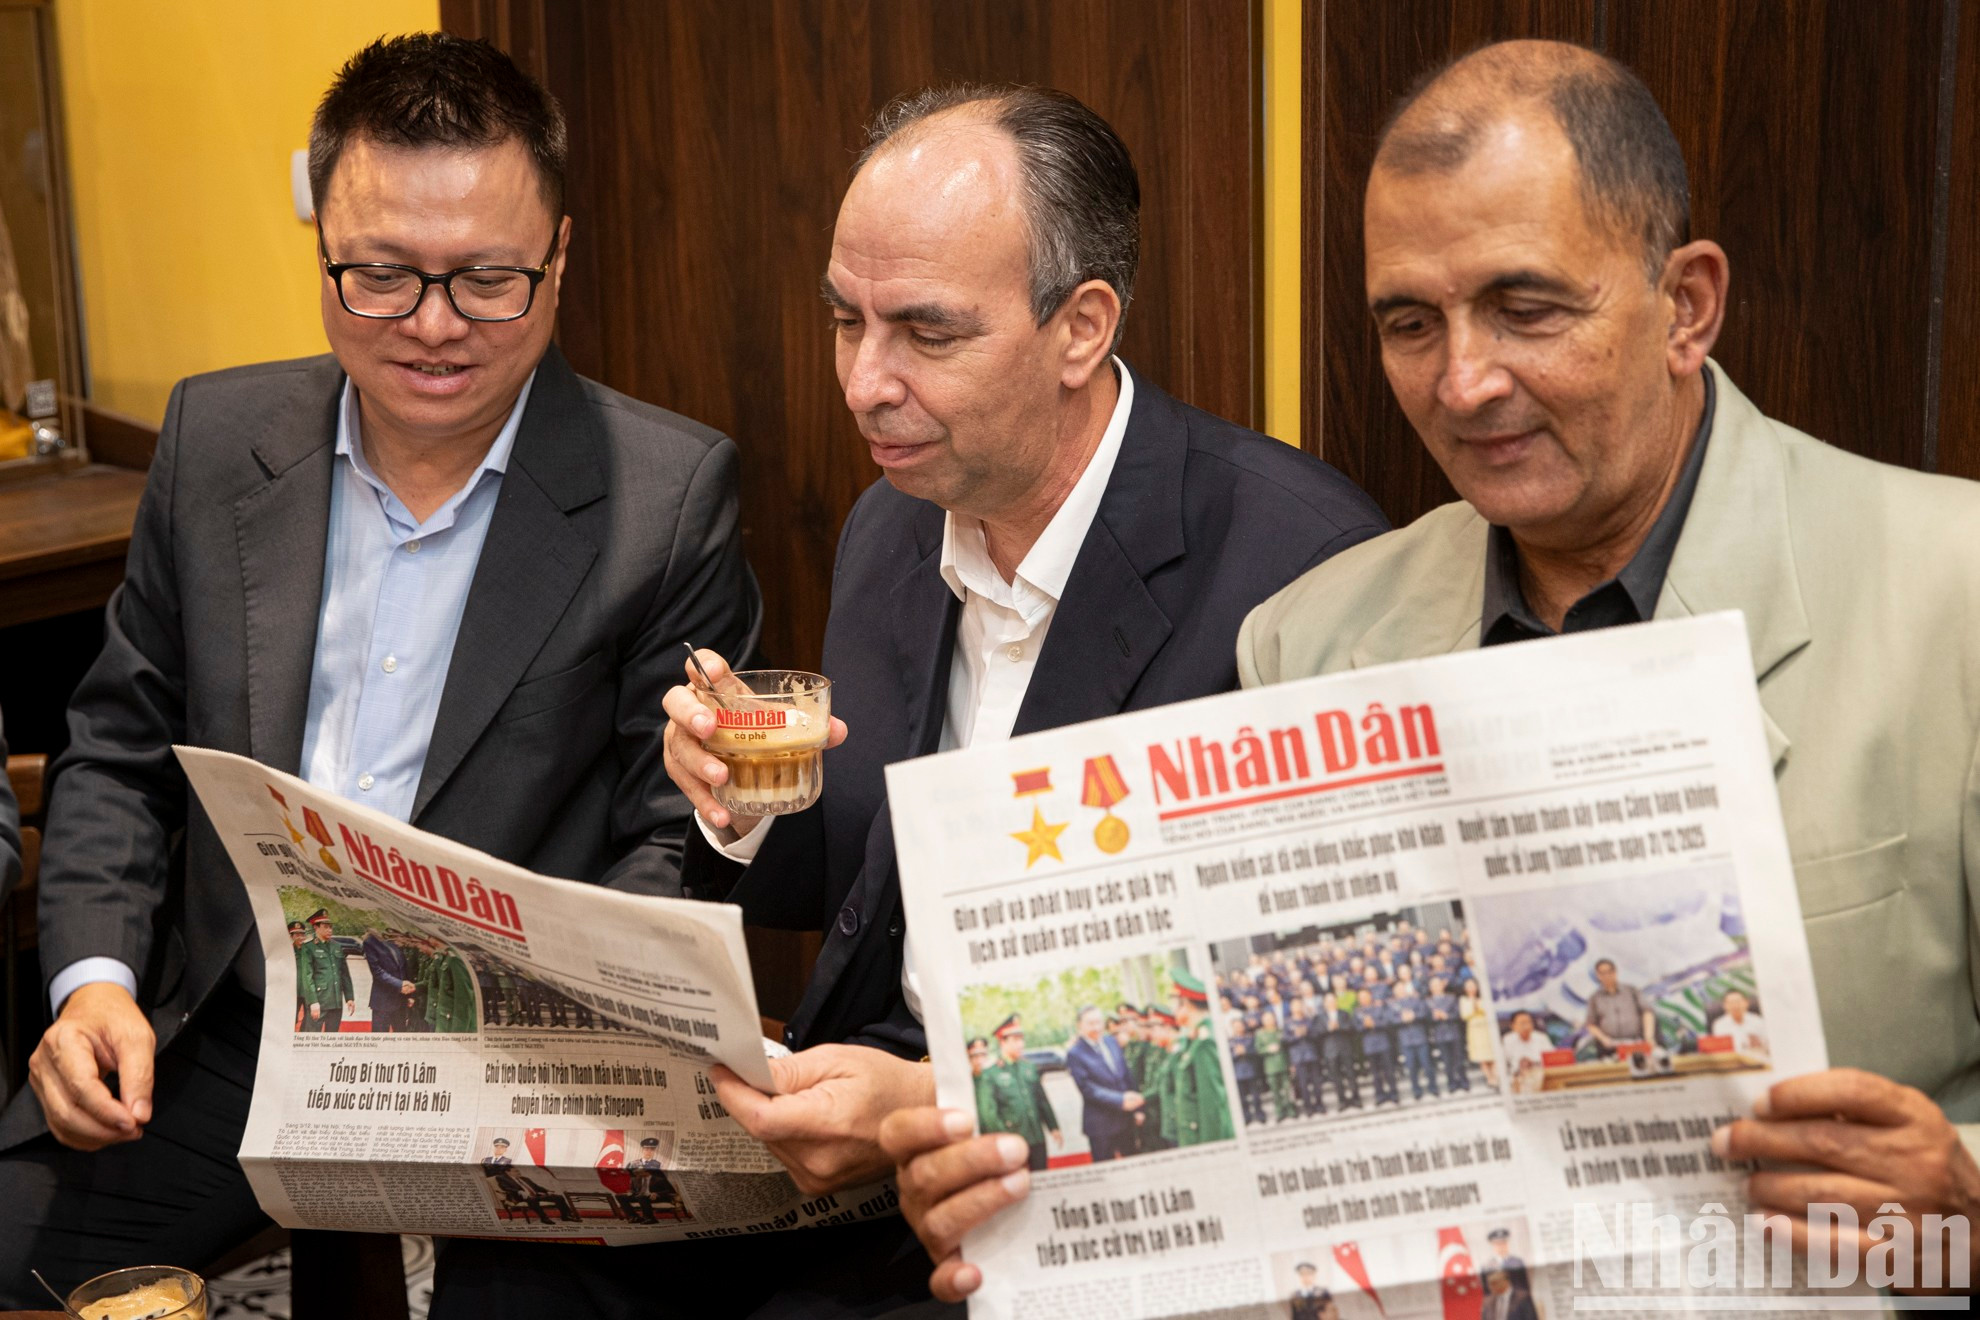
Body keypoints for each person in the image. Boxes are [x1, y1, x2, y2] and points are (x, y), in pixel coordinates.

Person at [0, 32, 761, 1305]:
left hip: (509, 1057)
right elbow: (118, 748)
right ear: (323, 255)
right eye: (383, 277)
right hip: (232, 1030)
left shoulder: (668, 499)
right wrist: (93, 988)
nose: (432, 328)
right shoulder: (214, 438)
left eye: (487, 282)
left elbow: (662, 837)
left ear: (561, 258)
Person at [1234, 36, 1980, 1279]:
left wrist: (1961, 1198)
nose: (1464, 383)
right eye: (1411, 323)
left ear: (1687, 304)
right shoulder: (1308, 641)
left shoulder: (1953, 593)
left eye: (1526, 311)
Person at [662, 81, 1381, 1308]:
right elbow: (850, 886)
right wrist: (743, 804)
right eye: (848, 321)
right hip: (856, 1142)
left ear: (1082, 327)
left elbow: (1318, 1035)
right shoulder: (893, 530)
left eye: (927, 334)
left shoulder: (1298, 573)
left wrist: (944, 1104)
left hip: (1106, 1185)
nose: (865, 382)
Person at [978, 1016, 1060, 1172]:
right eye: (1015, 1040)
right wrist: (1003, 1138)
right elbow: (990, 1114)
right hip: (1014, 1138)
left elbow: (1042, 1100)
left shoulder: (1028, 1068)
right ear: (1002, 1042)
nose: (1020, 1044)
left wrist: (1053, 1127)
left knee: (1042, 1174)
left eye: (1021, 1039)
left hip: (1036, 1136)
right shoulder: (991, 1074)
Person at [1065, 1005, 1142, 1161]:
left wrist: (1137, 1107)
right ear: (1079, 1026)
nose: (1096, 1027)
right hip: (1101, 1125)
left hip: (1125, 1120)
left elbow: (1126, 1075)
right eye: (1091, 1023)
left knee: (1133, 1165)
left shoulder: (1111, 1042)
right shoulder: (1075, 1054)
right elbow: (1087, 1089)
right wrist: (1120, 1100)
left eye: (1099, 1022)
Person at [1580, 958, 1655, 1058]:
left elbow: (1647, 1012)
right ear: (1598, 976)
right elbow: (1591, 1024)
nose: (1606, 976)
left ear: (1615, 972)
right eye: (1602, 973)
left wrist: (1648, 1037)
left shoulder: (1631, 991)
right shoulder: (1594, 998)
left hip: (1636, 1044)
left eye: (1609, 972)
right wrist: (1603, 1039)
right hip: (1610, 1048)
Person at [298, 911, 354, 1033]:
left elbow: (344, 974)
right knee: (312, 1037)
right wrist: (313, 1002)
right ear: (315, 927)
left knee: (332, 1037)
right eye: (325, 927)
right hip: (319, 1001)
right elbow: (307, 977)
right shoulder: (308, 947)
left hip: (336, 1001)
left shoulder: (336, 947)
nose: (329, 930)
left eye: (330, 927)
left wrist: (349, 997)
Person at [361, 925, 415, 1033]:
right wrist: (400, 985)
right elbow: (377, 972)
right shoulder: (371, 943)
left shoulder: (397, 946)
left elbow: (404, 970)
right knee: (379, 1039)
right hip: (383, 1002)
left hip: (400, 1001)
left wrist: (409, 995)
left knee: (400, 1037)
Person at [621, 1136, 678, 1224]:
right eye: (646, 1149)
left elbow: (667, 1187)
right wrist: (631, 1191)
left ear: (655, 1151)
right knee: (620, 1196)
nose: (649, 1152)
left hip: (652, 1195)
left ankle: (650, 1218)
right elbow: (633, 1181)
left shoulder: (659, 1165)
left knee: (642, 1197)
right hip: (639, 1194)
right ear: (642, 1150)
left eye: (652, 1150)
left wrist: (657, 1193)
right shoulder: (632, 1164)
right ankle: (634, 1216)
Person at [1501, 1011, 1551, 1094]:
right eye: (1522, 1023)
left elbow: (1551, 1059)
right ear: (1513, 1026)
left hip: (1541, 1076)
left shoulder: (1542, 1038)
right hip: (1518, 1079)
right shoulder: (1507, 1040)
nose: (1526, 1026)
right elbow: (1503, 1065)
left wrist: (1534, 1063)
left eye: (1529, 1022)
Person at [1460, 978, 1496, 1089]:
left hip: (1487, 1028)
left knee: (1492, 1054)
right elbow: (1465, 1015)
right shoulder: (1463, 1000)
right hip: (1475, 1030)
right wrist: (1474, 1007)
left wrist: (1478, 1009)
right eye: (1468, 986)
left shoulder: (1484, 998)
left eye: (1473, 985)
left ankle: (1495, 1077)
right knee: (1482, 1056)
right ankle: (1489, 1078)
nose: (1471, 988)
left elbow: (1488, 1011)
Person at [1710, 990, 1768, 1058]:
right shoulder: (1719, 1025)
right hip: (1733, 1061)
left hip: (1757, 1059)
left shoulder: (1758, 1021)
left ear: (1746, 1003)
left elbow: (1768, 1045)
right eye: (1731, 1003)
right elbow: (1721, 1051)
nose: (1735, 1005)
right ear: (1725, 1006)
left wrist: (1759, 1044)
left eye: (1738, 1001)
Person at [1481, 1226, 1531, 1296]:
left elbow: (1525, 1285)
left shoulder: (1517, 1262)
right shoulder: (1486, 1266)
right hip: (1497, 1301)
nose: (1501, 1246)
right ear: (1492, 1245)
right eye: (1497, 1244)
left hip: (1518, 1300)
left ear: (1507, 1244)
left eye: (1503, 1243)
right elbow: (1486, 1291)